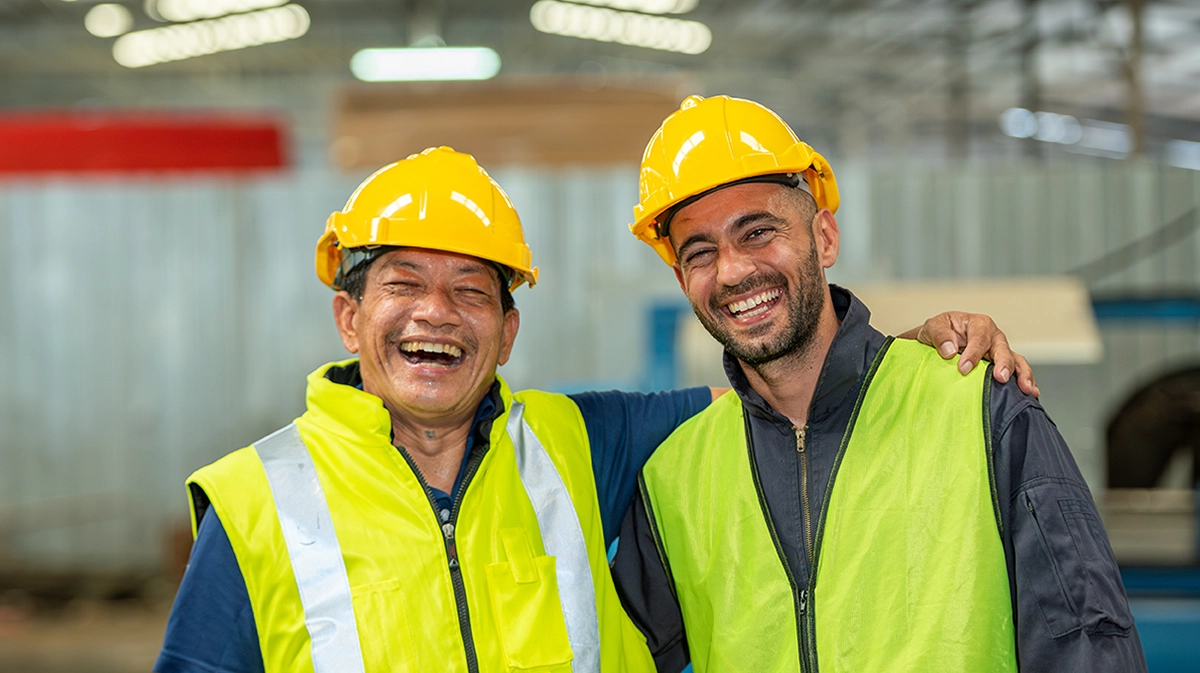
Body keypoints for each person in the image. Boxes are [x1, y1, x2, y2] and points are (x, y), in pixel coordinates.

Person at [155, 146, 1032, 673]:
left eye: (470, 289)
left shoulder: (581, 442)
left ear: (506, 331)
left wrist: (910, 350)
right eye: (402, 285)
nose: (435, 313)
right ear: (350, 316)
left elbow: (780, 391)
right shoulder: (257, 502)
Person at [612, 95, 1146, 673]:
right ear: (681, 277)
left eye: (759, 232)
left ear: (825, 237)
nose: (733, 270)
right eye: (700, 252)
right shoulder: (672, 478)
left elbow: (1088, 643)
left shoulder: (979, 406)